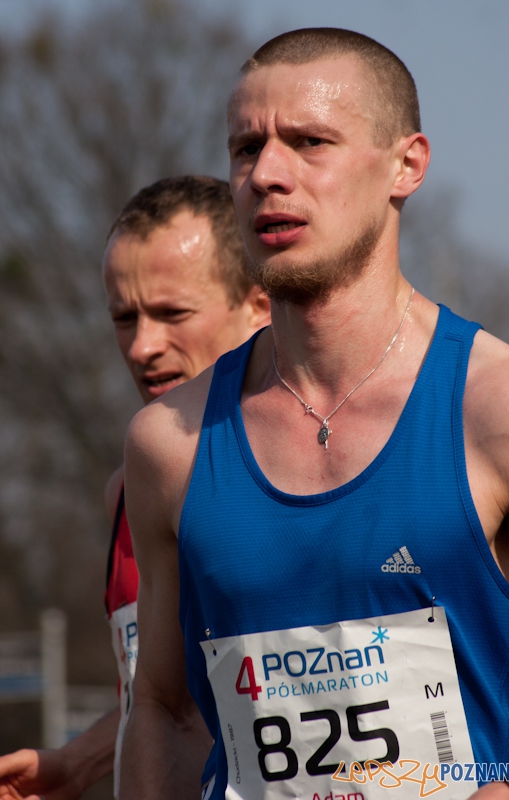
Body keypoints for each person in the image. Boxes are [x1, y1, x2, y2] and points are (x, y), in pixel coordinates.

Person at [120, 29, 509, 800]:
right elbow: (167, 711)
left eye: (309, 142)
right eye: (246, 148)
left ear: (405, 164)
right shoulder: (168, 445)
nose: (267, 175)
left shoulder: (506, 411)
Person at [0, 175, 270, 799]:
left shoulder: (327, 475)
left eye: (172, 313)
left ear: (258, 302)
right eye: (125, 317)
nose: (144, 346)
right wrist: (77, 763)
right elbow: (165, 695)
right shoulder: (129, 490)